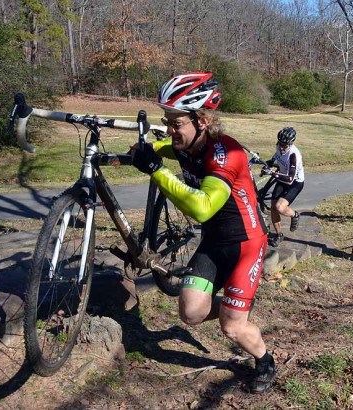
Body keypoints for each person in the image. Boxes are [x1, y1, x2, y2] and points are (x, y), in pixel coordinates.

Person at [129, 72, 275, 393]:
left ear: (203, 120)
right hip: (214, 242)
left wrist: (155, 168)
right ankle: (236, 305)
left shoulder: (228, 155)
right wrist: (141, 153)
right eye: (167, 121)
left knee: (231, 328)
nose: (170, 129)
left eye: (176, 123)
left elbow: (203, 207)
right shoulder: (184, 143)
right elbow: (161, 147)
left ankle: (265, 359)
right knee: (191, 313)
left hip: (245, 245)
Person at [261, 127, 305, 247]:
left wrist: (272, 173)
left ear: (291, 144)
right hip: (281, 178)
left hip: (294, 182)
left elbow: (290, 179)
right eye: (280, 144)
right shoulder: (279, 146)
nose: (281, 148)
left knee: (280, 207)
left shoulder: (294, 155)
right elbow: (275, 157)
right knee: (273, 208)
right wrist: (267, 164)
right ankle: (279, 235)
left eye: (284, 146)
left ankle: (294, 214)